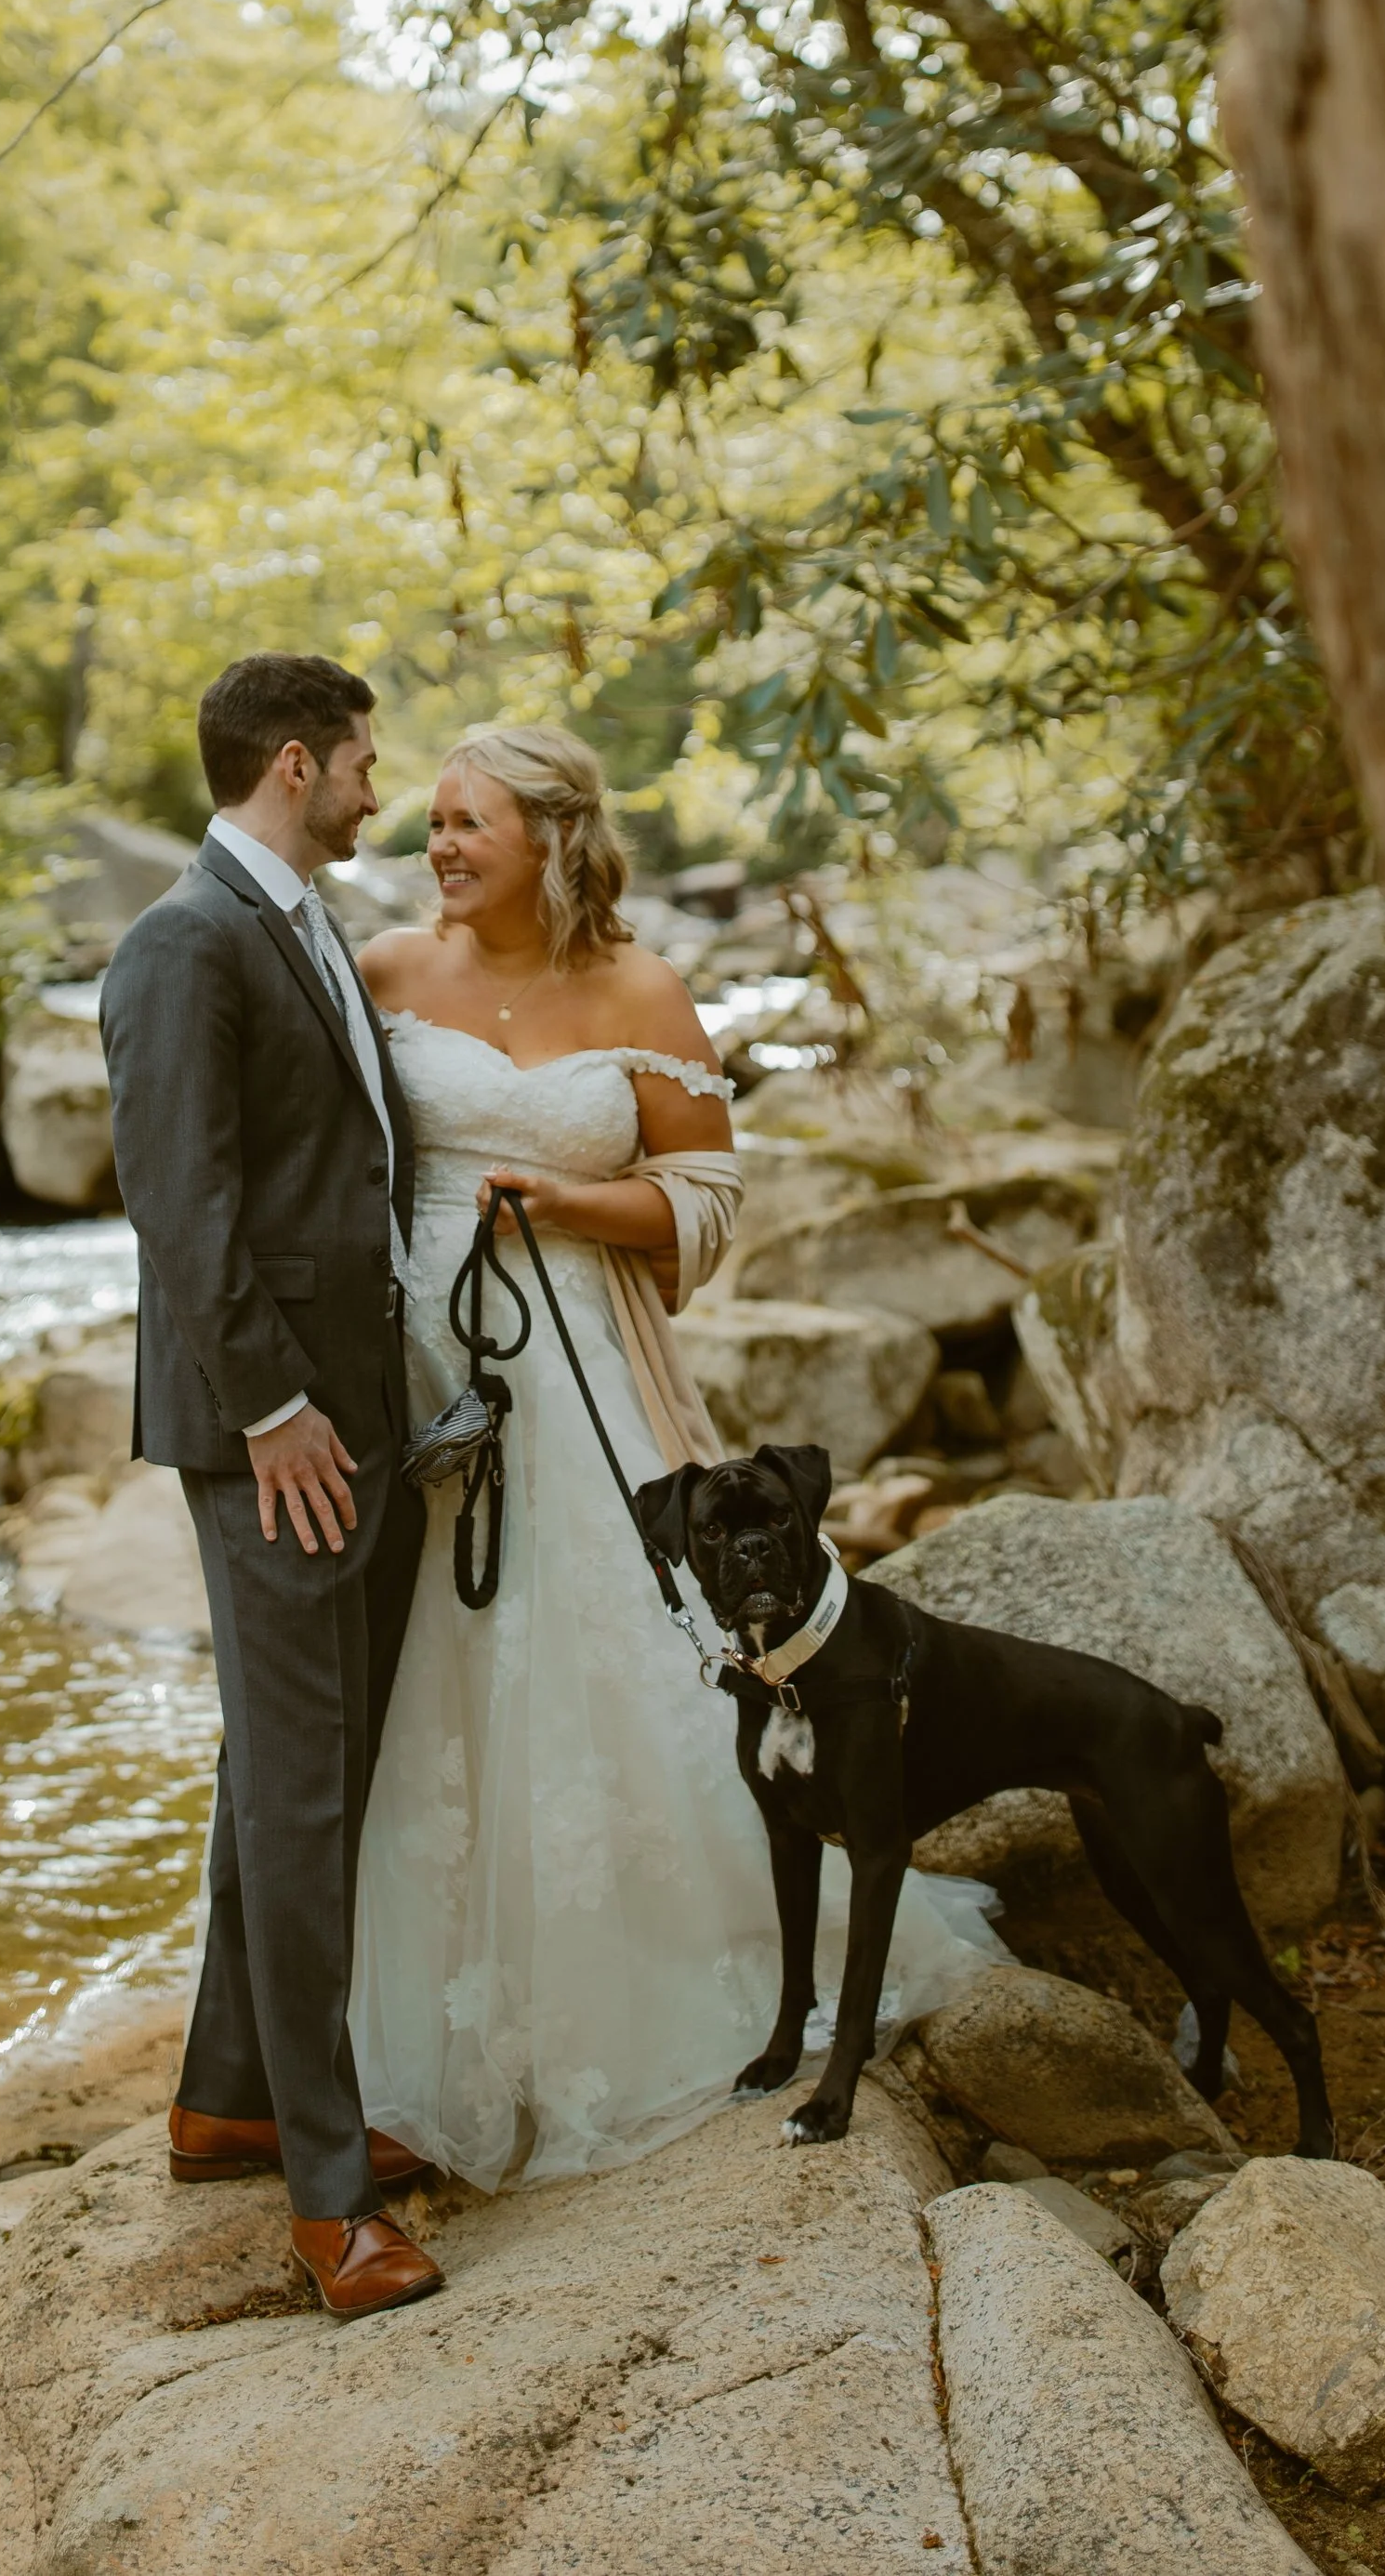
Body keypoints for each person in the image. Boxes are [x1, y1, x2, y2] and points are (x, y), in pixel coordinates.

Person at [350, 723, 1001, 2191]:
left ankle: (665, 1978)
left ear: (554, 838)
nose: (440, 846)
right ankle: (424, 2010)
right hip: (424, 1368)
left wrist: (569, 1204)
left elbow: (707, 1197)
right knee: (431, 1665)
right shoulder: (387, 969)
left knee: (615, 1645)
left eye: (471, 825)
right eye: (435, 822)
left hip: (582, 1366)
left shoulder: (641, 988)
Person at [99, 651, 442, 2319]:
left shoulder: (302, 921)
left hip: (360, 1410)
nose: (387, 788)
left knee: (296, 1763)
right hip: (278, 1433)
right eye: (368, 762)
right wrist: (278, 1408)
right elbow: (180, 1203)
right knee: (306, 1786)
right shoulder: (182, 941)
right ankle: (324, 2200)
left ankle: (226, 2095)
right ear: (296, 764)